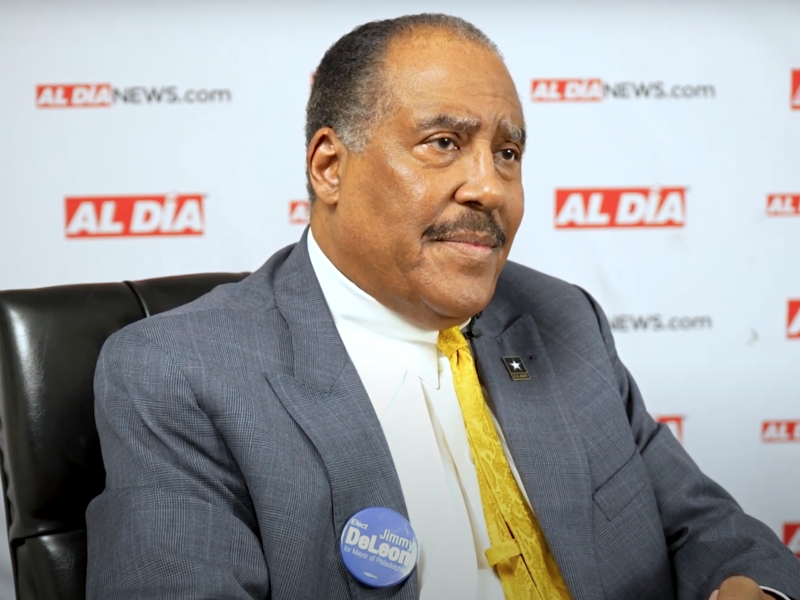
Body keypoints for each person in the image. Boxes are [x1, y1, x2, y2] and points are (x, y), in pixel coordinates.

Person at [85, 13, 800, 600]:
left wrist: (750, 588)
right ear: (329, 167)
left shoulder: (564, 320)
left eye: (509, 154)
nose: (488, 187)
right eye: (443, 143)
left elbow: (705, 528)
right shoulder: (179, 373)